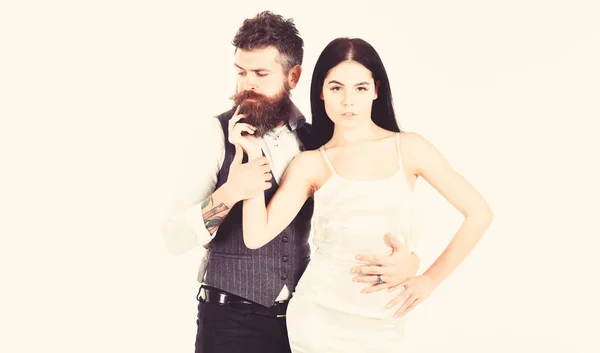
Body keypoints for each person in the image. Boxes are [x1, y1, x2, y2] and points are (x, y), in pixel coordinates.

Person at [162, 13, 421, 353]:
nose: (246, 84)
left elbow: (359, 216)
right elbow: (173, 239)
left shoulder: (317, 142)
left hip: (302, 322)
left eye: (260, 73)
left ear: (293, 76)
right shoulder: (214, 136)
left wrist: (411, 262)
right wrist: (231, 192)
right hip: (228, 322)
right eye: (240, 72)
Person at [230, 37, 494, 352]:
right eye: (336, 88)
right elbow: (257, 235)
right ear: (321, 92)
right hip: (319, 317)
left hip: (382, 320)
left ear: (376, 90)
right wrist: (250, 156)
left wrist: (429, 279)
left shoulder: (409, 148)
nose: (348, 102)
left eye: (360, 88)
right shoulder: (312, 163)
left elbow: (479, 213)